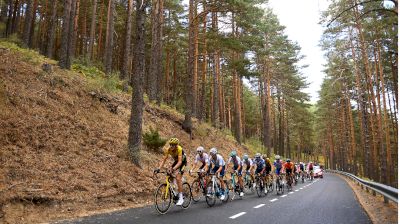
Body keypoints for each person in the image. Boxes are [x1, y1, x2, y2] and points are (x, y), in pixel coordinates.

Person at [154, 138, 187, 206]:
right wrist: (159, 168)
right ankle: (175, 190)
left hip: (183, 162)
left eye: (173, 145)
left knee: (178, 178)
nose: (171, 146)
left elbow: (180, 162)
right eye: (170, 144)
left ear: (176, 145)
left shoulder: (179, 149)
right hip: (176, 161)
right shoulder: (168, 149)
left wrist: (173, 168)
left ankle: (181, 198)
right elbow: (164, 160)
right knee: (169, 174)